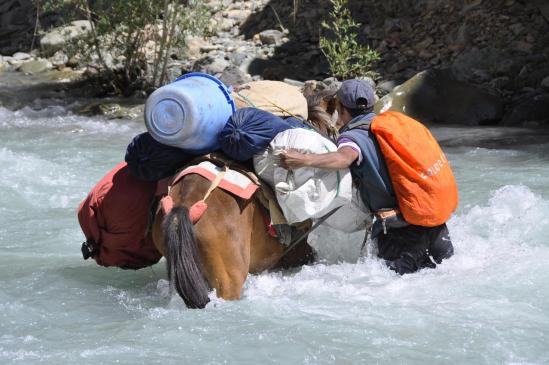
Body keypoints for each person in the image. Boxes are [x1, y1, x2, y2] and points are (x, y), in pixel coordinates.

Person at [280, 79, 454, 275]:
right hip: (433, 222)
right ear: (372, 104)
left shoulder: (353, 137)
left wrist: (303, 160)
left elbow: (344, 158)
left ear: (340, 107)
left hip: (399, 234)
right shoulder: (393, 127)